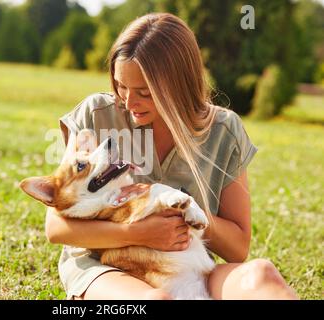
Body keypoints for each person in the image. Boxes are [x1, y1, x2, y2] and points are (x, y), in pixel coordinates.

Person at [45, 13, 299, 300]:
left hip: (188, 270)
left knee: (262, 276)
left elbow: (237, 248)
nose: (128, 103)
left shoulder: (223, 131)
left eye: (144, 92)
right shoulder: (97, 115)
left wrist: (178, 208)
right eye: (121, 86)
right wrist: (139, 232)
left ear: (179, 85)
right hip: (106, 268)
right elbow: (56, 228)